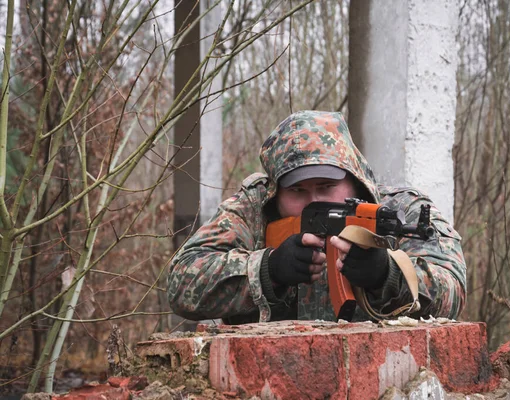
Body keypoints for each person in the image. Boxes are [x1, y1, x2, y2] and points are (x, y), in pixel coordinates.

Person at [168, 110, 466, 324]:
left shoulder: (400, 210)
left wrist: (387, 276)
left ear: (354, 180)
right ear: (276, 193)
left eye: (326, 187)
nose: (314, 201)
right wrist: (267, 269)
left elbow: (452, 290)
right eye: (298, 191)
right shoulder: (254, 209)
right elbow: (181, 281)